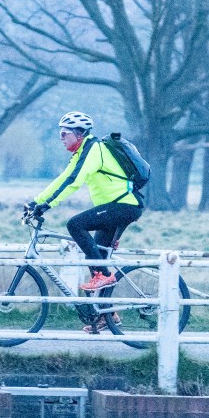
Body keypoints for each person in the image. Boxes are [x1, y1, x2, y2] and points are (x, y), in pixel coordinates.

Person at [25, 111, 144, 329]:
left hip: (125, 206)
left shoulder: (94, 149)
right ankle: (107, 315)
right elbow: (63, 179)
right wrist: (36, 202)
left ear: (78, 134)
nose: (61, 138)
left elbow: (73, 181)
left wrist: (46, 205)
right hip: (114, 208)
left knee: (75, 225)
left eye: (64, 134)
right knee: (96, 257)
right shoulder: (82, 152)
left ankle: (104, 276)